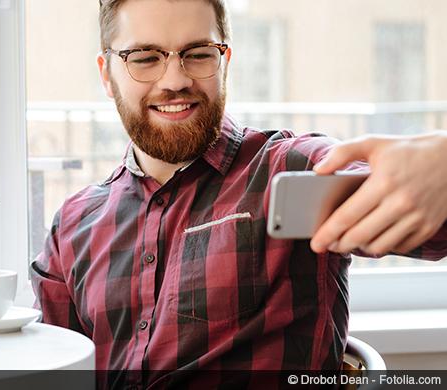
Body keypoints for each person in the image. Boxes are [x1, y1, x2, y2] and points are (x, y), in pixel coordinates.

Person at [30, 0, 447, 387]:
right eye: (145, 58)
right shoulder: (72, 226)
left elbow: (434, 227)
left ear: (224, 61)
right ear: (107, 74)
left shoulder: (294, 169)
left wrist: (439, 165)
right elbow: (56, 373)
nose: (175, 80)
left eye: (198, 54)